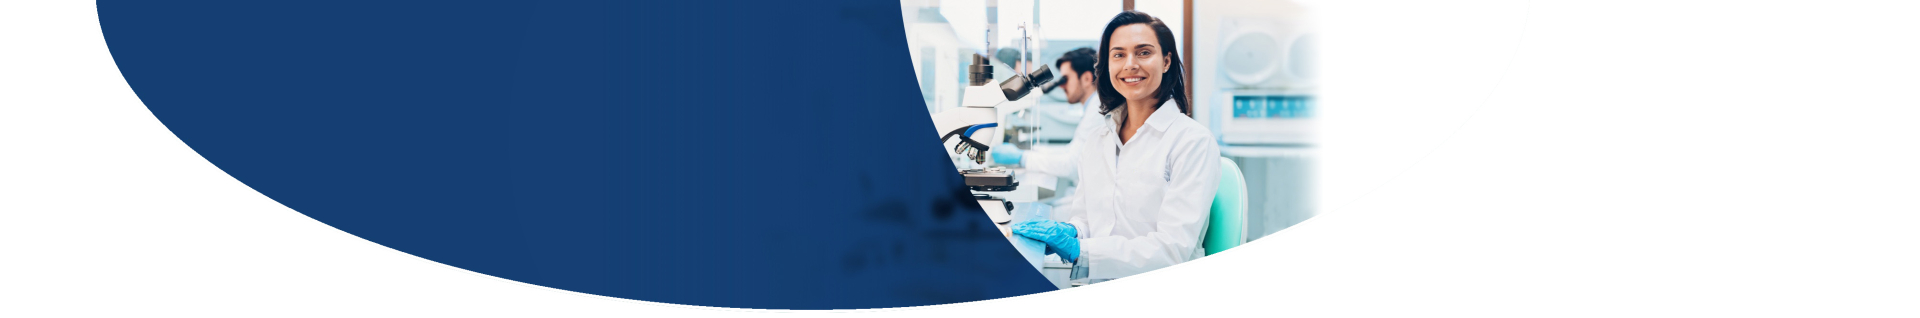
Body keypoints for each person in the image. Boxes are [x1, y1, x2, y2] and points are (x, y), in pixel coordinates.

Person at [1011, 10, 1221, 280]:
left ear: (1167, 61)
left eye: (1144, 53)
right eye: (1118, 55)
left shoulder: (1192, 142)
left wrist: (1079, 250)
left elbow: (1172, 249)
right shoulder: (1098, 140)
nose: (1130, 64)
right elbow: (1087, 220)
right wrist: (1073, 231)